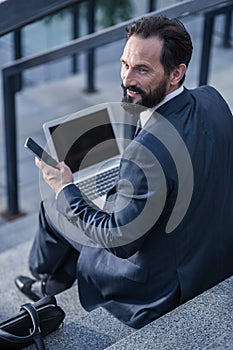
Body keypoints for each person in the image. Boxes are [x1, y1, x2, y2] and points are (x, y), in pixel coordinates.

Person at [15, 15, 233, 329]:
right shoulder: (212, 99)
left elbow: (119, 241)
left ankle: (43, 282)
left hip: (163, 286)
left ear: (176, 73)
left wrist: (65, 188)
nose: (127, 79)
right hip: (213, 254)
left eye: (142, 69)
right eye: (124, 64)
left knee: (54, 209)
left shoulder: (147, 154)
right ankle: (56, 284)